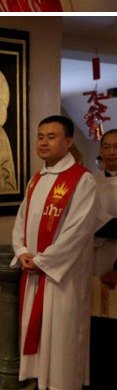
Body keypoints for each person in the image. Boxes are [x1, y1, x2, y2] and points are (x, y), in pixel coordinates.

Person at [12, 114, 97, 390]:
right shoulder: (36, 179)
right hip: (36, 271)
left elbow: (78, 232)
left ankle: (62, 384)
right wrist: (23, 250)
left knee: (62, 337)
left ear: (69, 142)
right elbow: (22, 220)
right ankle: (42, 382)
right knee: (40, 336)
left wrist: (43, 261)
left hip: (63, 277)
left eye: (51, 137)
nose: (43, 143)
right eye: (40, 136)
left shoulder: (82, 180)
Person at [91, 128, 117, 389]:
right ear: (100, 150)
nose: (111, 152)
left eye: (116, 146)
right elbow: (89, 221)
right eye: (107, 146)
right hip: (97, 258)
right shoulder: (91, 181)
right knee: (97, 324)